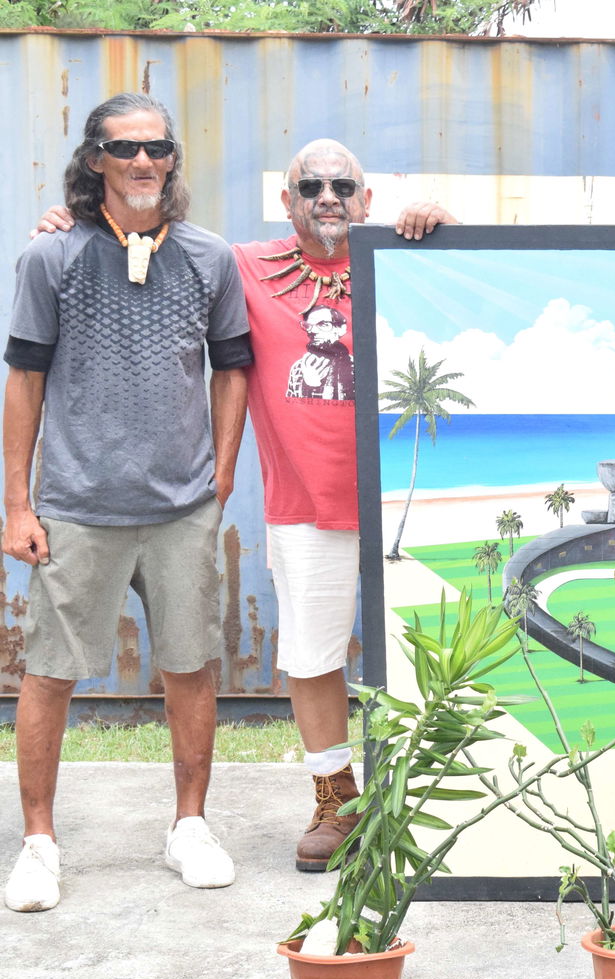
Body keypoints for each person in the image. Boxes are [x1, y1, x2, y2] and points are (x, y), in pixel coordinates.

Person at [28, 139, 455, 873]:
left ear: (368, 198)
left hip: (414, 501)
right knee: (312, 656)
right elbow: (148, 240)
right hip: (304, 504)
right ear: (287, 202)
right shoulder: (241, 266)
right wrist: (73, 224)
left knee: (436, 651)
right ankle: (337, 801)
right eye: (310, 187)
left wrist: (445, 219)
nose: (328, 197)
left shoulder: (406, 258)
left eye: (343, 185)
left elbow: (486, 274)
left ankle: (436, 800)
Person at [3, 93, 252, 912]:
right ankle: (39, 844)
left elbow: (233, 369)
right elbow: (25, 378)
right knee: (49, 673)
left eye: (157, 148)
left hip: (182, 508)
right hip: (77, 505)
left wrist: (220, 477)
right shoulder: (51, 257)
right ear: (95, 160)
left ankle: (190, 827)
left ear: (172, 159)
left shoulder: (210, 257)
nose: (143, 161)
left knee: (191, 666)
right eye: (124, 148)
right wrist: (17, 504)